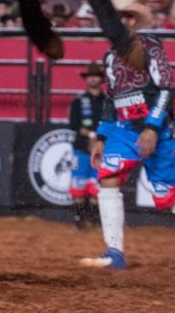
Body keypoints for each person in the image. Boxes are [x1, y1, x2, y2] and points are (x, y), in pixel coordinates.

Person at [81, 0, 175, 270]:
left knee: (168, 202)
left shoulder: (151, 47)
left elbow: (167, 89)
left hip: (160, 130)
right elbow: (111, 99)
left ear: (133, 20)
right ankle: (115, 253)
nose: (122, 22)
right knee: (108, 178)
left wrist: (151, 127)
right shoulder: (110, 57)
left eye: (126, 16)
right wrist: (101, 136)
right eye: (116, 17)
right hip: (125, 129)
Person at [68, 61, 107, 229]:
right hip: (80, 149)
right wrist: (91, 135)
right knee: (78, 183)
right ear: (86, 79)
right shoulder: (79, 100)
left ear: (101, 79)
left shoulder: (107, 101)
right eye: (90, 76)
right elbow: (73, 124)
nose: (92, 79)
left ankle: (94, 218)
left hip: (102, 150)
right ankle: (79, 218)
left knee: (97, 185)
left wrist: (99, 138)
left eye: (95, 76)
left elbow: (112, 123)